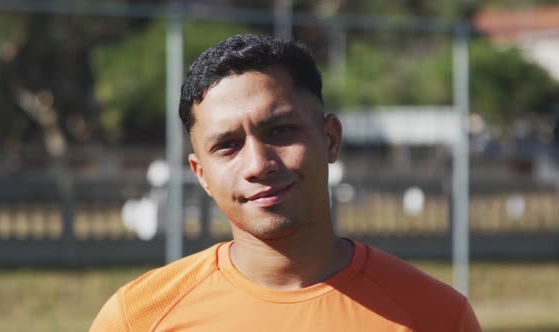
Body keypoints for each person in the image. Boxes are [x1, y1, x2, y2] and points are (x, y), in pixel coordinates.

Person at [90, 34, 482, 332]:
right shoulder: (138, 319)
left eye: (280, 131)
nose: (258, 164)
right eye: (227, 146)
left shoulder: (438, 316)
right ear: (201, 175)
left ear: (330, 139)